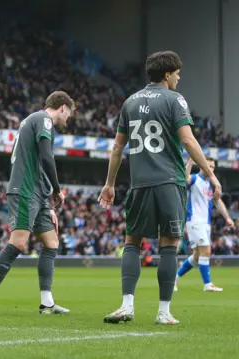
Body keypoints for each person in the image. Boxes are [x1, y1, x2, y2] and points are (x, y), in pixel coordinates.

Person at [99, 51, 222, 325]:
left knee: (132, 242)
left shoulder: (130, 102)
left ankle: (126, 306)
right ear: (167, 74)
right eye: (177, 72)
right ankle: (164, 312)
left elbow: (118, 146)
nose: (179, 76)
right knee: (169, 246)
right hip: (170, 182)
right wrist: (210, 175)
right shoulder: (175, 99)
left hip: (139, 184)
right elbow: (188, 141)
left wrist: (109, 184)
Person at [0, 91, 74, 317]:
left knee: (51, 242)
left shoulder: (33, 121)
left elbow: (38, 162)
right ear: (63, 107)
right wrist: (58, 190)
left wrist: (48, 201)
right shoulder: (44, 120)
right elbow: (47, 158)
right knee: (18, 244)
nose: (68, 120)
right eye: (69, 114)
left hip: (37, 193)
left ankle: (47, 303)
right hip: (25, 191)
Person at [175, 157, 234, 292]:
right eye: (208, 166)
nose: (210, 169)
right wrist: (190, 161)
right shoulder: (195, 179)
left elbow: (218, 203)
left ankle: (175, 278)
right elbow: (184, 179)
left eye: (213, 167)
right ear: (201, 166)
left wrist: (227, 218)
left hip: (205, 223)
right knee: (206, 251)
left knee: (196, 256)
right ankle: (207, 284)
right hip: (195, 221)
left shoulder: (211, 184)